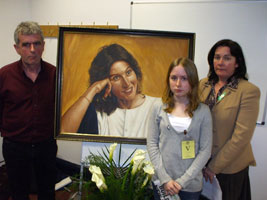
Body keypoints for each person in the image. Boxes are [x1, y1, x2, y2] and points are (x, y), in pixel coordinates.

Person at [0, 21, 57, 200]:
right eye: (26, 44)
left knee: (47, 192)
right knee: (18, 193)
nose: (32, 49)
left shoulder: (56, 75)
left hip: (45, 145)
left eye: (37, 43)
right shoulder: (4, 75)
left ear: (43, 46)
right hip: (15, 146)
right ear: (17, 48)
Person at [200, 39, 260, 200]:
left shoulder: (248, 91)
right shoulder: (202, 85)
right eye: (217, 57)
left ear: (237, 63)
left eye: (227, 58)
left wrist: (214, 166)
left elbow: (241, 137)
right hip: (201, 163)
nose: (220, 62)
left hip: (230, 168)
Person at [61, 43, 161, 138]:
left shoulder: (158, 106)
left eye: (128, 72)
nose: (126, 83)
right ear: (105, 83)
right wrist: (93, 89)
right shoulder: (98, 113)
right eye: (116, 78)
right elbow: (62, 132)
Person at [147, 57, 212, 200]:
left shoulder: (203, 111)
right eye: (173, 78)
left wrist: (182, 182)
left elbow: (205, 151)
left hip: (190, 186)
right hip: (162, 184)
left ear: (193, 81)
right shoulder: (158, 107)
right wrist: (165, 179)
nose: (178, 84)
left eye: (184, 78)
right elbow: (152, 144)